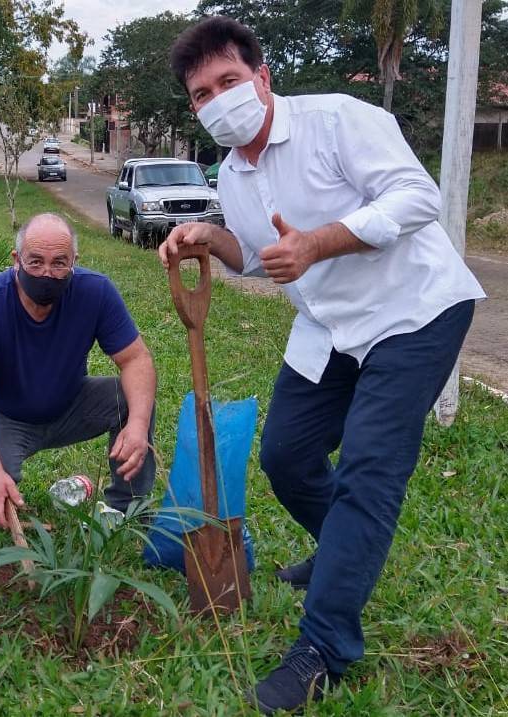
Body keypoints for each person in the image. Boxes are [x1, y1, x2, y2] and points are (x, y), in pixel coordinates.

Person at [161, 16, 485, 714]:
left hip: (412, 312)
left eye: (227, 80)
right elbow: (256, 255)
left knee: (370, 467)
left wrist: (316, 244)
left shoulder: (337, 120)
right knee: (286, 455)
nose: (217, 99)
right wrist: (205, 236)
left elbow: (417, 198)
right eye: (201, 93)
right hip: (329, 326)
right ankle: (341, 551)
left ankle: (323, 645)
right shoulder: (232, 171)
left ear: (261, 77)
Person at [0, 212, 157, 529]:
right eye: (35, 262)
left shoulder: (96, 292)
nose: (46, 273)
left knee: (132, 399)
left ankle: (128, 504)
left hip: (71, 404)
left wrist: (139, 426)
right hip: (5, 417)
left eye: (59, 263)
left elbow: (136, 360)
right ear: (16, 260)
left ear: (74, 261)